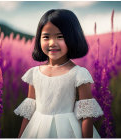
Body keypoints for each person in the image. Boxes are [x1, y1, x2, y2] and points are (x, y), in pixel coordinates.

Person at [14, 9, 103, 138]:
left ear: (73, 37)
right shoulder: (33, 73)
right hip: (37, 130)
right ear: (39, 39)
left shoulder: (79, 73)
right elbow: (29, 113)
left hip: (69, 130)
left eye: (60, 37)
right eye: (46, 37)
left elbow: (86, 117)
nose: (52, 43)